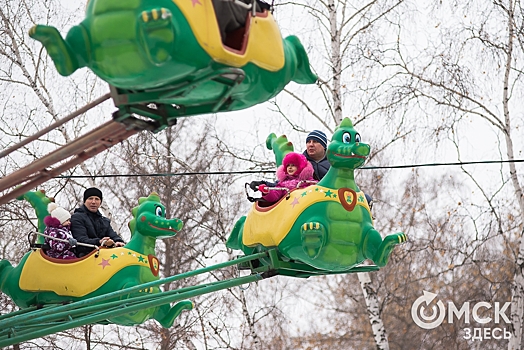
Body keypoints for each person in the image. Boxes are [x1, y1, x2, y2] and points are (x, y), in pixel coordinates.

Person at [70, 187, 125, 257]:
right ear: (84, 201)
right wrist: (100, 242)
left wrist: (118, 242)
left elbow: (113, 235)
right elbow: (80, 240)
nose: (93, 202)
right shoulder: (77, 217)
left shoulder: (104, 221)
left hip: (105, 257)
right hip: (85, 257)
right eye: (90, 198)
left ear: (100, 203)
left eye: (97, 199)